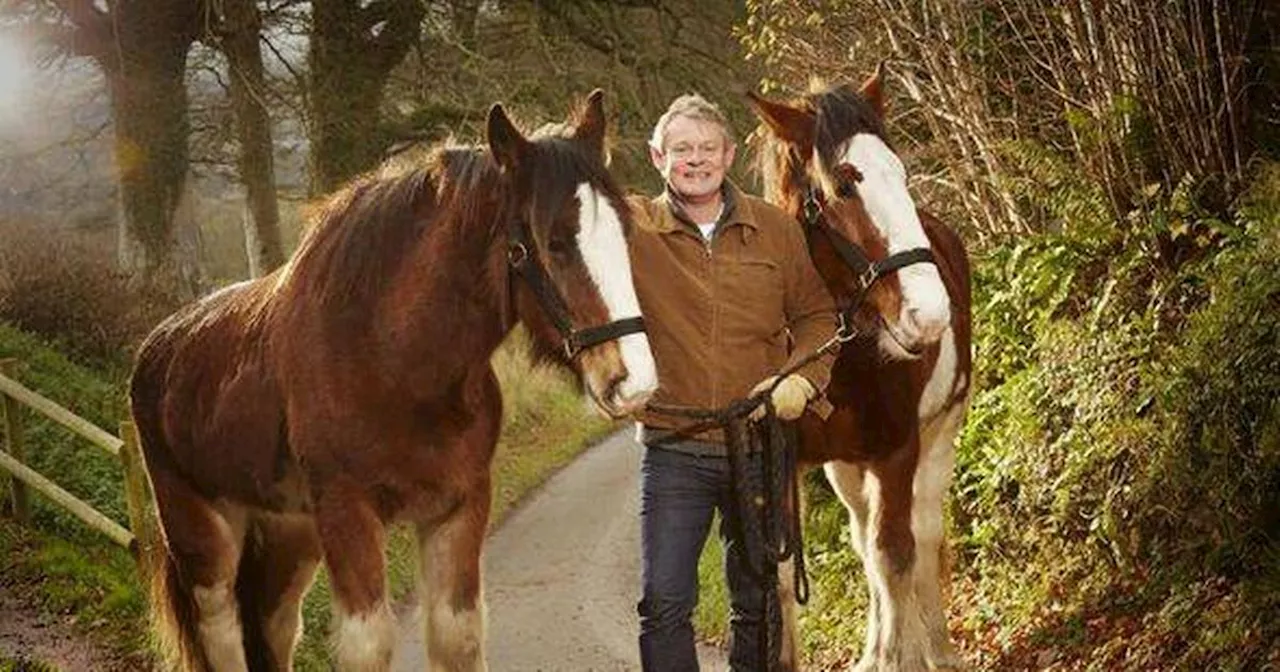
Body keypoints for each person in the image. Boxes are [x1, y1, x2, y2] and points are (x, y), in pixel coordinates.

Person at [626, 93, 837, 671]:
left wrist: (800, 379)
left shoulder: (775, 229)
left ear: (729, 153)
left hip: (760, 445)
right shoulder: (633, 228)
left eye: (707, 148)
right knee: (665, 604)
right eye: (682, 149)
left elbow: (818, 315)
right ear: (657, 156)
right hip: (673, 447)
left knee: (760, 602)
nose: (696, 160)